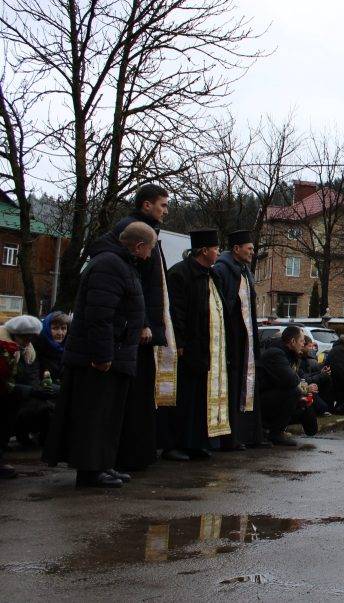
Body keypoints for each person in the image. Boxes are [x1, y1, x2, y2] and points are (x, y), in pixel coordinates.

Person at [44, 222, 152, 488]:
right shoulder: (110, 265)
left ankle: (103, 464)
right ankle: (90, 470)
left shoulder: (121, 264)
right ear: (139, 247)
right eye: (149, 249)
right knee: (94, 414)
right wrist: (103, 355)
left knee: (108, 415)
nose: (150, 255)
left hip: (114, 353)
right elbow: (100, 314)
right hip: (100, 357)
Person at [102, 185, 176, 472]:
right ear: (146, 205)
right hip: (136, 329)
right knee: (134, 395)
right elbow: (138, 282)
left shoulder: (149, 233)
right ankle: (129, 455)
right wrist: (144, 321)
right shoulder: (136, 233)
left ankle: (140, 452)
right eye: (162, 205)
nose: (166, 210)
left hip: (144, 327)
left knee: (142, 394)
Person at [161, 229, 231, 462]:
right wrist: (179, 342)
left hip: (208, 348)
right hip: (188, 346)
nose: (218, 252)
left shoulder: (213, 276)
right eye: (215, 248)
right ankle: (174, 444)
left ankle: (196, 442)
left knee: (201, 398)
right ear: (203, 250)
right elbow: (176, 311)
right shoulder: (180, 274)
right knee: (183, 398)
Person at [212, 230, 268, 450]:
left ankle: (249, 435)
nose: (253, 253)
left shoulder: (245, 271)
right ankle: (231, 437)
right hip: (233, 339)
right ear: (236, 249)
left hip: (246, 339)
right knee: (234, 386)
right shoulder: (222, 270)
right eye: (250, 248)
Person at [0, 316, 44, 478]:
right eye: (24, 337)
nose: (27, 342)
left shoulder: (27, 352)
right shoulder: (4, 349)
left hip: (13, 397)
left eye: (30, 338)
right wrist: (29, 391)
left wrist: (38, 390)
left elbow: (31, 377)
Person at [257, 325, 316, 446]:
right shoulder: (276, 354)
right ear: (293, 342)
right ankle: (275, 433)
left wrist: (303, 387)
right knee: (294, 392)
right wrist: (303, 388)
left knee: (303, 401)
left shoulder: (289, 354)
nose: (303, 344)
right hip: (260, 400)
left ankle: (279, 430)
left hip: (273, 396)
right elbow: (292, 380)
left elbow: (298, 378)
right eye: (301, 341)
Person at [32, 312, 69, 383]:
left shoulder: (69, 349)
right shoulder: (37, 348)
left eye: (64, 328)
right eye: (55, 328)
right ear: (47, 328)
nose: (60, 333)